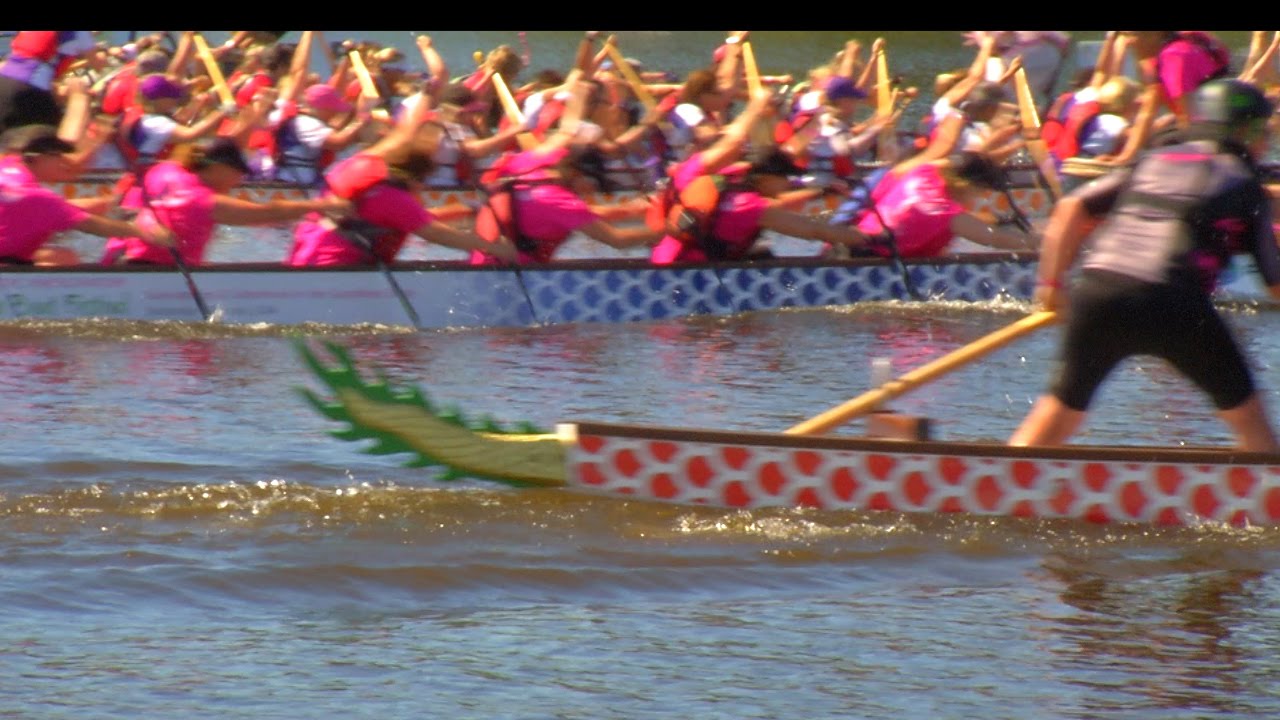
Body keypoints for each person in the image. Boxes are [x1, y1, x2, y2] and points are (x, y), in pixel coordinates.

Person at [1009, 79, 1280, 452]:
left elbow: (1071, 208)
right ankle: (1269, 497)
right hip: (1173, 301)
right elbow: (1274, 283)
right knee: (1248, 418)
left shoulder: (1154, 159)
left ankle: (998, 483)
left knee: (1059, 413)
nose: (1266, 142)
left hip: (1098, 289)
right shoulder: (1246, 186)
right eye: (1263, 132)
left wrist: (1051, 285)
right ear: (1247, 132)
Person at [649, 88, 869, 265]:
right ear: (767, 178)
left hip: (663, 258)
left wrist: (816, 121)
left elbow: (778, 149)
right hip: (695, 272)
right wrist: (865, 238)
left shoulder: (715, 175)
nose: (788, 183)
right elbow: (814, 230)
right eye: (786, 178)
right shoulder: (751, 207)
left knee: (762, 253)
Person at [469, 80, 661, 265]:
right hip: (516, 275)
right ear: (576, 173)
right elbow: (617, 240)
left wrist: (579, 94)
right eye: (592, 183)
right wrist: (672, 230)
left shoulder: (531, 160)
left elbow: (566, 131)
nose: (591, 191)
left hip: (482, 263)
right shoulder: (559, 200)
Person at [286, 121, 517, 267]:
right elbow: (435, 235)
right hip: (337, 267)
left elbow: (411, 219)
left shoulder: (366, 172)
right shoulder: (393, 197)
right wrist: (495, 248)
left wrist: (465, 212)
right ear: (421, 174)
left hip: (307, 257)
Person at [102, 137, 351, 267]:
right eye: (237, 175)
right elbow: (266, 213)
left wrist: (145, 222)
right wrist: (321, 205)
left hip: (119, 260)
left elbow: (126, 205)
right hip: (154, 272)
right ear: (219, 168)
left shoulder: (164, 170)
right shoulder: (203, 201)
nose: (237, 182)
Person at [0, 125, 170, 265]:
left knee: (62, 255)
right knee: (64, 260)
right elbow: (94, 226)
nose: (63, 162)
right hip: (9, 268)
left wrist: (109, 202)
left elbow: (51, 209)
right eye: (57, 156)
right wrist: (142, 231)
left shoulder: (6, 166)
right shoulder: (41, 199)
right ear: (35, 158)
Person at [836, 151, 1037, 259]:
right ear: (964, 185)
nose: (982, 197)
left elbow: (945, 161)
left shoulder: (922, 171)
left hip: (850, 243)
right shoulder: (946, 213)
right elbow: (993, 239)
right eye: (982, 191)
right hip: (873, 257)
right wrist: (1039, 246)